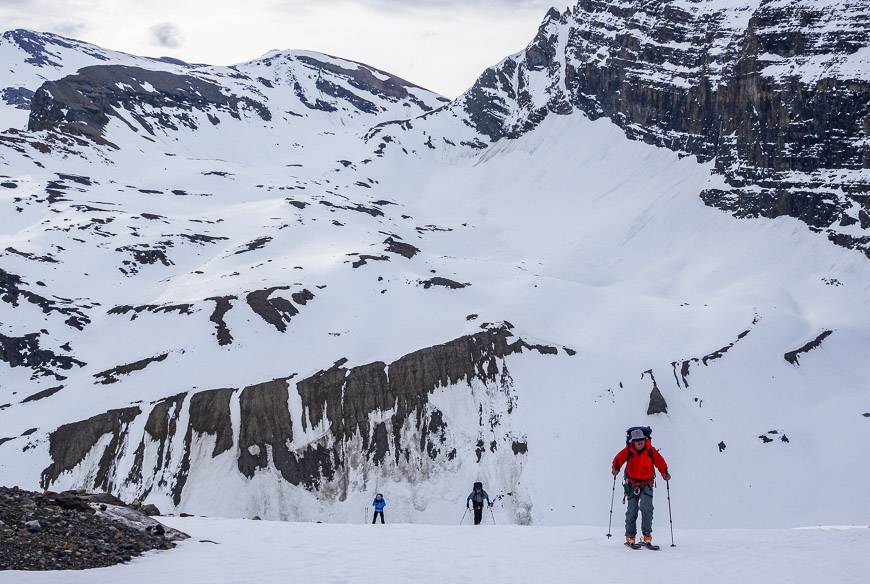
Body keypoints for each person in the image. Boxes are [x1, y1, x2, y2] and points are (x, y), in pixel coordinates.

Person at [611, 428, 670, 548]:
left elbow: (660, 462)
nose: (640, 443)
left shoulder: (650, 451)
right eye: (637, 441)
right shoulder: (629, 450)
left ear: (645, 439)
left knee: (647, 509)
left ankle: (647, 537)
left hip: (647, 483)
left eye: (642, 440)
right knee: (632, 511)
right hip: (632, 484)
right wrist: (615, 469)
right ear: (633, 441)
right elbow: (618, 459)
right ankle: (630, 537)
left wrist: (665, 473)